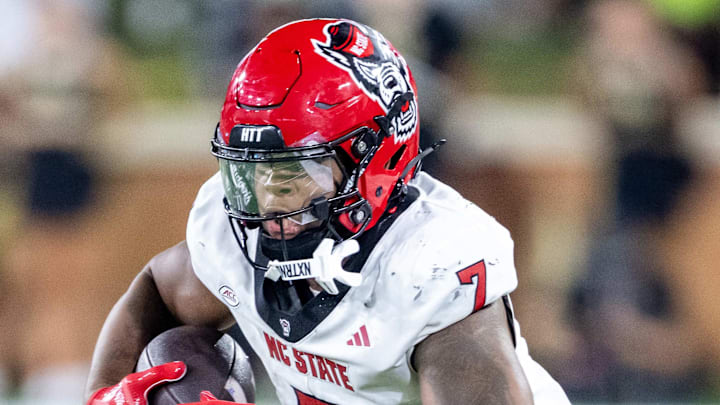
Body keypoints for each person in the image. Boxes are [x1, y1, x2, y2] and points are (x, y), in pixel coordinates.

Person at [85, 19, 569, 404]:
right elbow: (158, 289)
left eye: (295, 174)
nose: (269, 201)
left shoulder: (430, 265)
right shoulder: (235, 233)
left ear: (374, 158)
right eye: (251, 173)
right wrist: (105, 396)